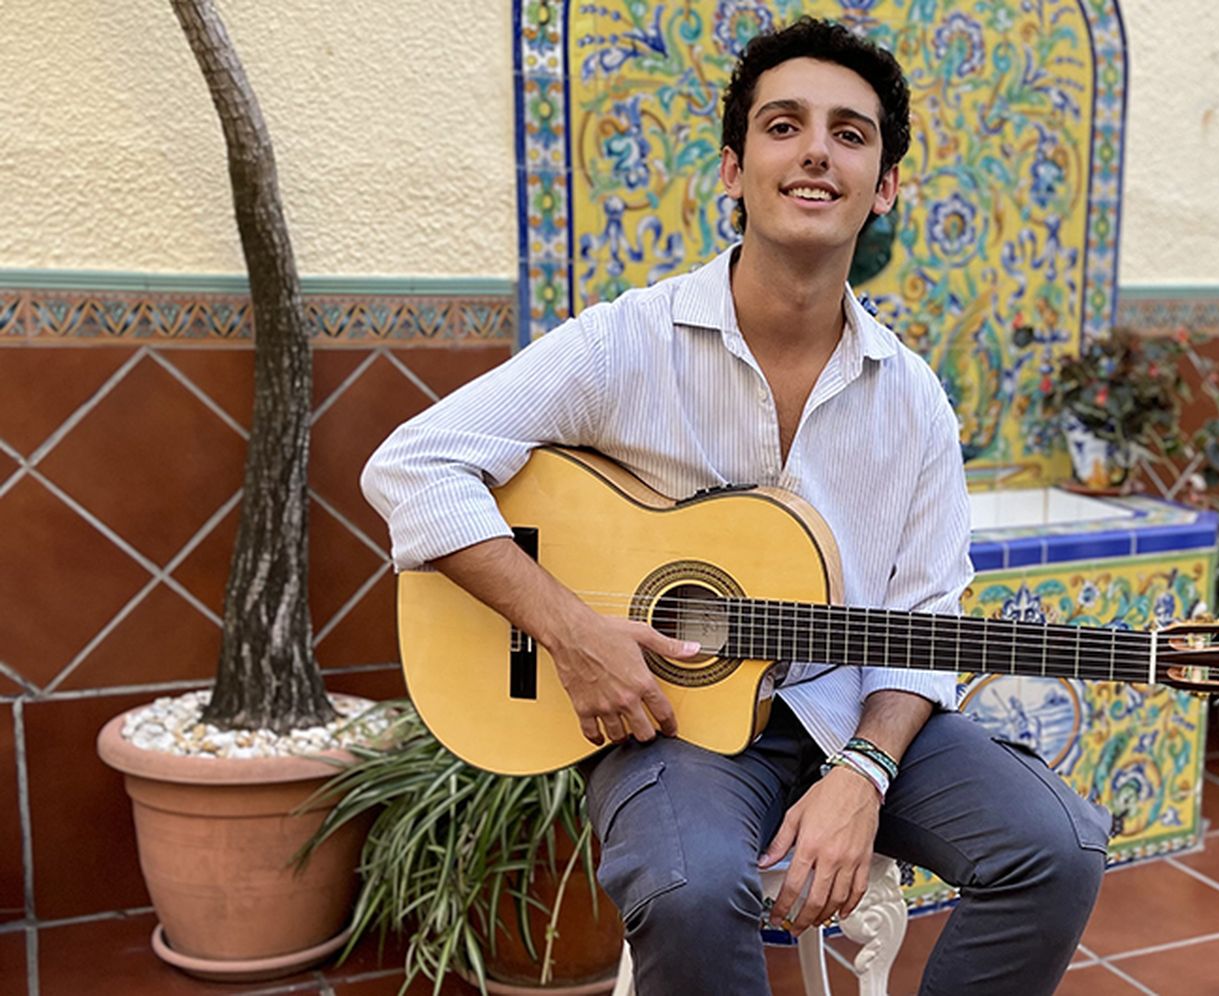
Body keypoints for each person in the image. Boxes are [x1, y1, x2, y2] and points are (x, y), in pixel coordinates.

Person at [362, 17, 1107, 994]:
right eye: (783, 124)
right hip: (672, 719)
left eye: (850, 133)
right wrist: (572, 633)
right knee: (691, 886)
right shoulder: (627, 342)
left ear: (884, 187)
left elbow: (923, 617)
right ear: (732, 166)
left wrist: (864, 775)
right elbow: (414, 466)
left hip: (854, 714)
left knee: (1056, 846)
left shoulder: (913, 398)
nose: (813, 152)